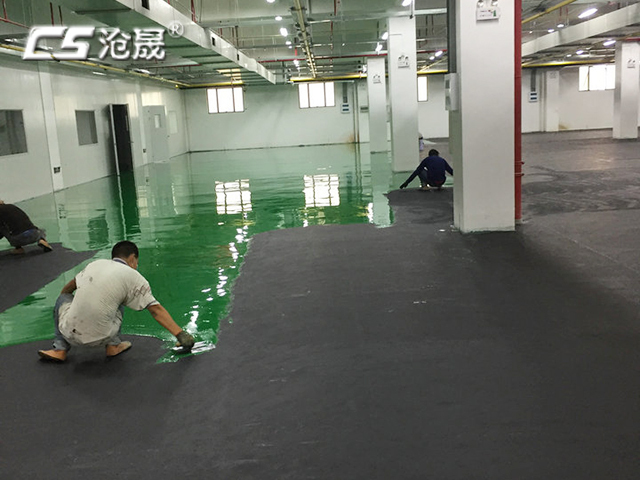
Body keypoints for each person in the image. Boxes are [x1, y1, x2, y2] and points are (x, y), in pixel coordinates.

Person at [38, 240, 195, 362]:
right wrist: (180, 335)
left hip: (67, 332)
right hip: (102, 336)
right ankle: (113, 346)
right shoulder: (133, 276)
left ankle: (59, 349)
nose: (136, 266)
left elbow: (67, 289)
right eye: (137, 262)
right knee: (118, 299)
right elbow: (156, 310)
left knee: (63, 298)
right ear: (132, 258)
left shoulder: (94, 264)